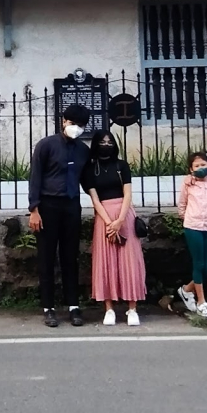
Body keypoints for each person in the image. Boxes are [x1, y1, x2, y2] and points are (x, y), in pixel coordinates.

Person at [29, 103, 91, 328]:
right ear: (64, 121)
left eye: (81, 125)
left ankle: (73, 306)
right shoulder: (46, 145)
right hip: (47, 206)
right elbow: (35, 177)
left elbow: (88, 181)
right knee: (46, 258)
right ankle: (48, 308)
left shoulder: (83, 150)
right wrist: (34, 210)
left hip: (72, 206)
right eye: (73, 123)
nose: (76, 128)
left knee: (70, 257)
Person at [81, 129, 146, 327]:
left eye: (110, 141)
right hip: (104, 217)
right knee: (106, 261)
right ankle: (108, 308)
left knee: (129, 261)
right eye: (103, 141)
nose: (106, 144)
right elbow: (94, 198)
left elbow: (128, 194)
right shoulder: (90, 169)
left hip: (124, 215)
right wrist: (109, 222)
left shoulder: (121, 165)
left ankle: (132, 307)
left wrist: (119, 221)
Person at [176, 152, 207, 318]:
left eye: (203, 165)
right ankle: (201, 302)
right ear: (191, 169)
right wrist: (189, 219)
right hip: (193, 227)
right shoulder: (188, 184)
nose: (201, 168)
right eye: (197, 166)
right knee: (199, 264)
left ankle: (186, 290)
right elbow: (182, 205)